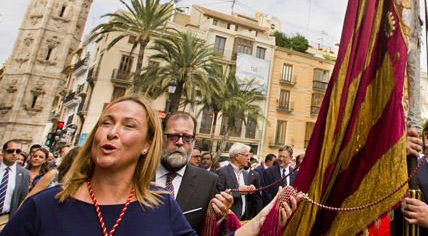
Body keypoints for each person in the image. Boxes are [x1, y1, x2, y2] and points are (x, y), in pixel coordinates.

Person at [2, 94, 297, 235]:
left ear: (146, 144)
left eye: (128, 125)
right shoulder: (43, 207)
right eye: (106, 122)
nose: (113, 132)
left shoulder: (162, 207)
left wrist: (260, 223)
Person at [156, 111, 224, 233]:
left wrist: (221, 216)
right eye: (173, 136)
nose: (180, 142)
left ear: (193, 141)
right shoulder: (137, 174)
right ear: (161, 136)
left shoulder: (208, 182)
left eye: (187, 138)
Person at [217, 142, 261, 221]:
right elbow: (217, 194)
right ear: (237, 156)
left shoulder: (245, 174)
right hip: (226, 220)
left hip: (244, 219)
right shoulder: (223, 172)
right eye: (246, 155)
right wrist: (238, 191)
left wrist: (252, 191)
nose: (249, 158)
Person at [0, 139, 30, 228]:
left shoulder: (24, 173)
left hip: (5, 219)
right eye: (10, 151)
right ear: (3, 152)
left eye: (18, 151)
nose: (14, 153)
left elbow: (22, 198)